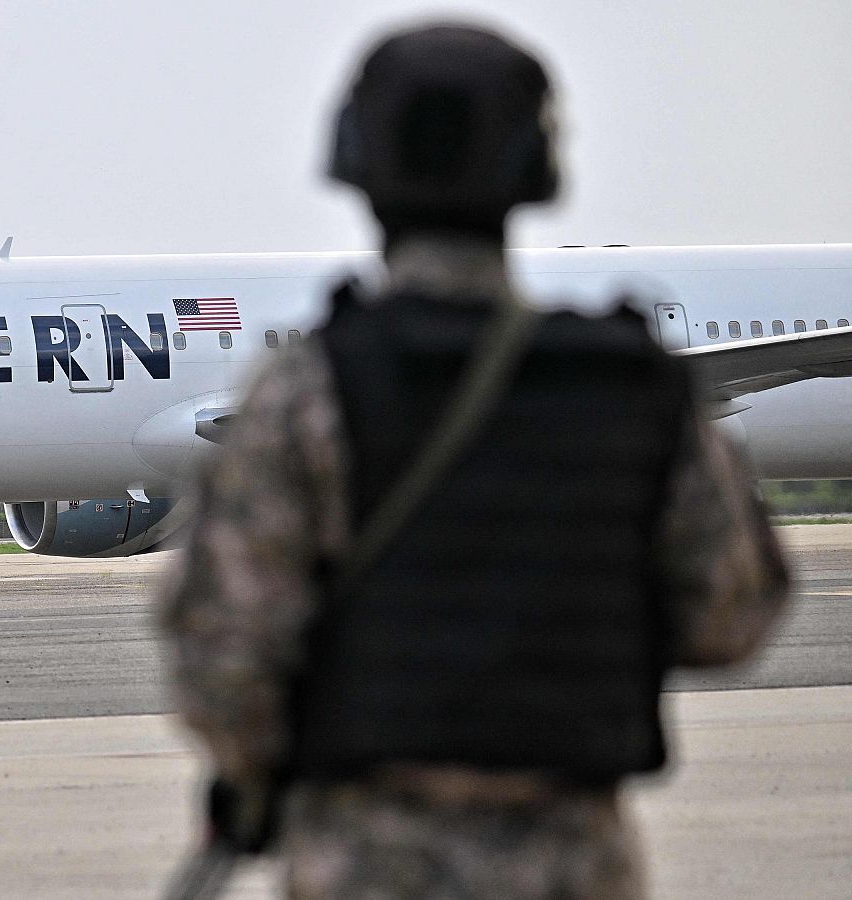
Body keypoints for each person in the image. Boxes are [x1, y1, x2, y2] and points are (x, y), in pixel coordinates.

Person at [158, 22, 790, 899]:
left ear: (354, 163)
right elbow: (731, 617)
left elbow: (223, 660)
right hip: (571, 857)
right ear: (540, 168)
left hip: (364, 857)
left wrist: (271, 768)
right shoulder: (627, 385)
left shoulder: (306, 393)